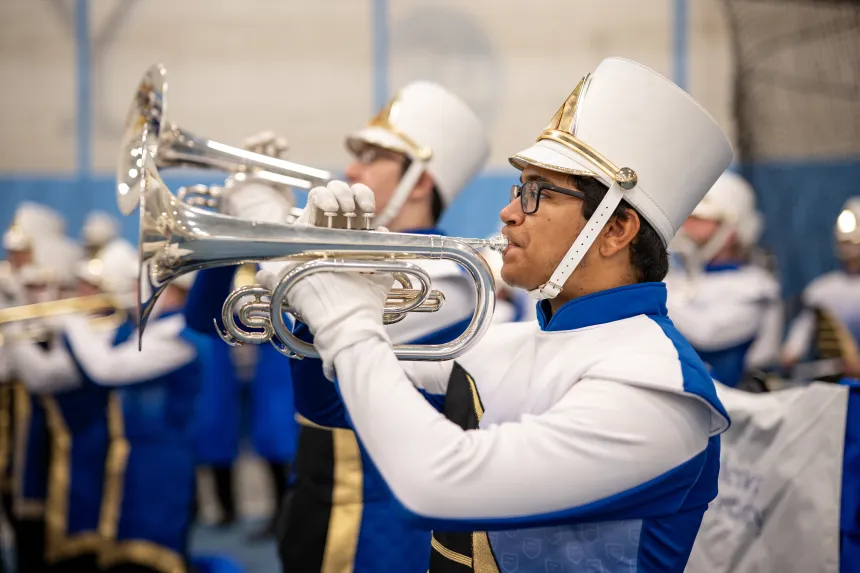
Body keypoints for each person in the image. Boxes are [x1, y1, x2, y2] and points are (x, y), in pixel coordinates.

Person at [260, 57, 734, 572]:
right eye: (519, 189)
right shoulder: (506, 344)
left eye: (538, 193)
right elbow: (330, 407)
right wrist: (320, 295)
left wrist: (348, 319)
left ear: (616, 230)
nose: (508, 213)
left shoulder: (658, 386)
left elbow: (436, 485)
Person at [57, 238, 205, 573]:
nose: (132, 295)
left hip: (160, 464)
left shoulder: (176, 334)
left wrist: (73, 323)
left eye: (142, 287)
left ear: (170, 291)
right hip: (133, 460)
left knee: (149, 557)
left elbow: (106, 369)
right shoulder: (154, 330)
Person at [664, 172, 782, 387]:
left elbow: (708, 333)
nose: (686, 227)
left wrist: (651, 292)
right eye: (687, 217)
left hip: (731, 399)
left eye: (700, 220)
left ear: (731, 231)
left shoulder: (754, 286)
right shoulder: (679, 278)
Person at [782, 197, 860, 378]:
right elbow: (803, 327)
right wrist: (792, 350)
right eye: (845, 243)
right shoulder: (821, 290)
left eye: (853, 243)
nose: (849, 249)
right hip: (834, 379)